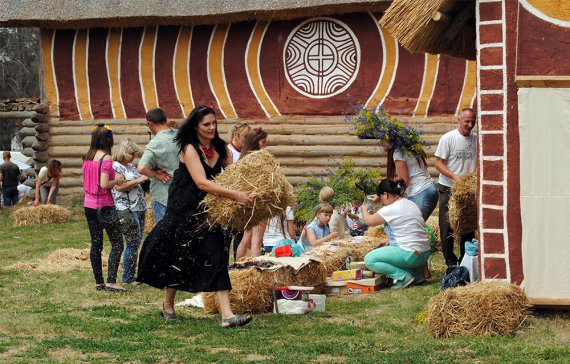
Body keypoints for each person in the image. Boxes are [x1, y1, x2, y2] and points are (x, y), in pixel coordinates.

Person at [137, 105, 254, 328]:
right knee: (180, 254)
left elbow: (233, 175)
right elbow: (201, 182)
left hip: (208, 208)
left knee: (218, 253)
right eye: (206, 124)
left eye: (214, 123)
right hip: (183, 205)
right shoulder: (188, 148)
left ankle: (227, 316)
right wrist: (236, 195)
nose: (211, 128)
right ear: (195, 126)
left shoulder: (221, 148)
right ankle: (168, 304)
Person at [362, 179, 431, 289]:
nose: (382, 201)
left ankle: (403, 277)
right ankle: (417, 275)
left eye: (381, 197)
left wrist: (364, 207)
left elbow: (368, 221)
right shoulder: (410, 203)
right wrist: (390, 242)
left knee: (370, 259)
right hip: (423, 255)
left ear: (385, 194)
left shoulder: (391, 208)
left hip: (410, 255)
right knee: (402, 251)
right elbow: (410, 232)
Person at [82, 124, 126, 292]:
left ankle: (99, 282)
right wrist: (118, 181)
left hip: (89, 205)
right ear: (108, 139)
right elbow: (104, 184)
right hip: (104, 206)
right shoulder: (106, 159)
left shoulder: (87, 157)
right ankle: (111, 281)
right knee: (117, 243)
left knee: (96, 243)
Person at [434, 108, 477, 267]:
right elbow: (438, 163)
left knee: (467, 225)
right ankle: (450, 262)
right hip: (448, 187)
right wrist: (454, 177)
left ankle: (465, 260)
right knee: (447, 226)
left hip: (467, 189)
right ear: (459, 119)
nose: (470, 124)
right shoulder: (448, 138)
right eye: (467, 121)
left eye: (473, 121)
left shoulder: (476, 139)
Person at [111, 138, 149, 286]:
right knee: (132, 242)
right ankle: (128, 278)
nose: (134, 156)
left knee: (136, 242)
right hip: (125, 208)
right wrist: (139, 180)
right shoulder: (115, 167)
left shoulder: (131, 167)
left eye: (135, 153)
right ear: (122, 152)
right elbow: (120, 187)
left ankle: (132, 275)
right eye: (131, 153)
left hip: (139, 206)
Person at [137, 108, 179, 224]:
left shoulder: (155, 143)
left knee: (163, 237)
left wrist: (155, 174)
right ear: (165, 120)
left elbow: (141, 167)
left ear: (150, 124)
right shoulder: (180, 136)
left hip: (163, 195)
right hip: (182, 193)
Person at [235, 127, 268, 260]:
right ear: (256, 142)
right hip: (259, 202)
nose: (265, 146)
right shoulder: (259, 160)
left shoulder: (243, 159)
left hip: (246, 201)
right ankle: (256, 270)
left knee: (246, 238)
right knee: (257, 241)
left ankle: (236, 267)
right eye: (263, 142)